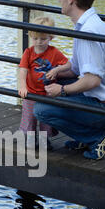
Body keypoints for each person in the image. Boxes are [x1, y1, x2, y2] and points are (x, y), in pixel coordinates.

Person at [34, 0, 105, 160]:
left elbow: (92, 79)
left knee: (41, 110)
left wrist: (62, 90)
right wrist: (56, 72)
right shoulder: (87, 24)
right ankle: (83, 136)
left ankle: (98, 138)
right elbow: (77, 70)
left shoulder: (88, 31)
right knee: (51, 80)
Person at [18, 16, 68, 149]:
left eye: (43, 39)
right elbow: (23, 71)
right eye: (35, 38)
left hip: (48, 93)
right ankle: (29, 140)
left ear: (50, 38)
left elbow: (69, 65)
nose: (39, 42)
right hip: (31, 92)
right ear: (31, 37)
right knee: (29, 118)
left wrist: (57, 69)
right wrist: (23, 87)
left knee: (46, 119)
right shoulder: (28, 52)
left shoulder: (54, 52)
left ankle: (44, 141)